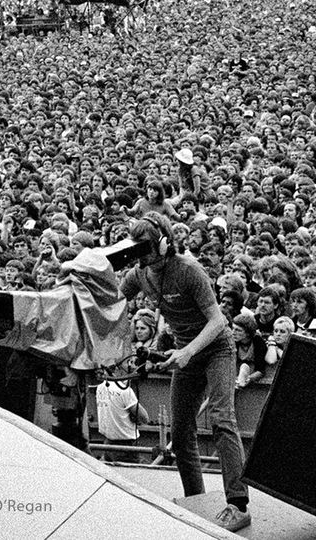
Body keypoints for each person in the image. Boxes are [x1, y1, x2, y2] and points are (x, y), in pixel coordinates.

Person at [121, 213, 250, 532]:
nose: (144, 258)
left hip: (215, 348)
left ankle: (238, 504)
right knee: (180, 434)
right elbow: (112, 300)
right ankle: (196, 500)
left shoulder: (189, 270)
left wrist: (189, 350)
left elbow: (218, 321)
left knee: (222, 420)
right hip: (184, 353)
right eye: (138, 251)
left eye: (148, 249)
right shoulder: (140, 272)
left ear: (164, 243)